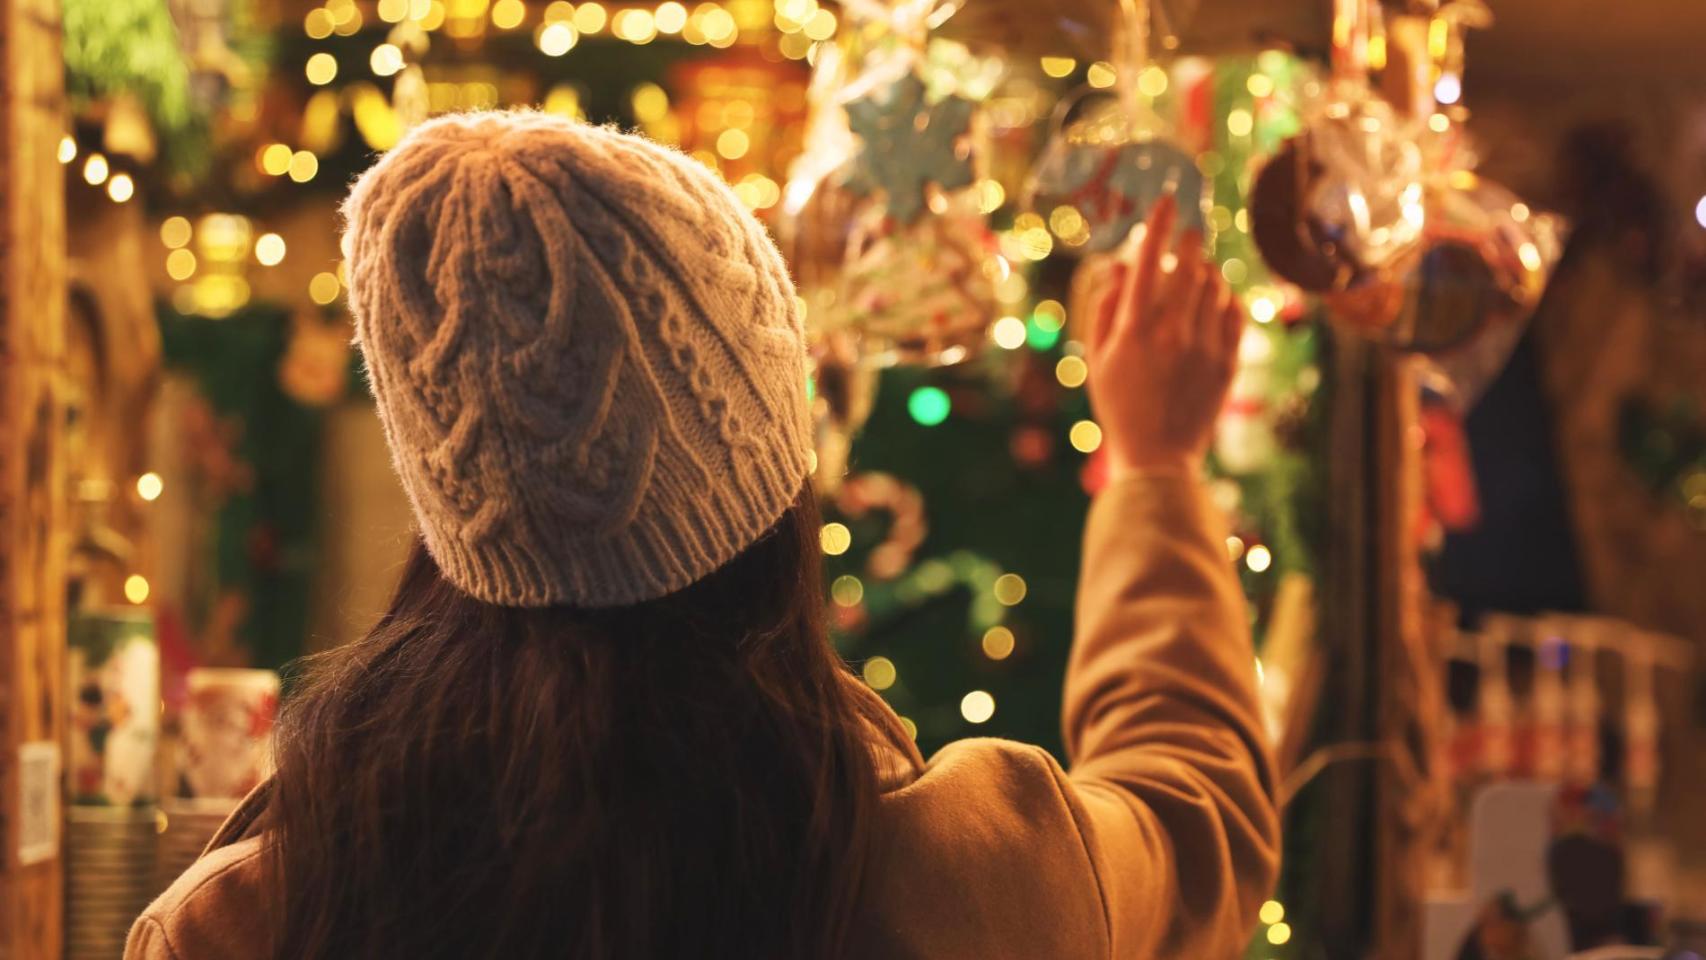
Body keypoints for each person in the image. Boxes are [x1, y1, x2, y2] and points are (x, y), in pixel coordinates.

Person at [125, 112, 1277, 960]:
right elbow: (1196, 812)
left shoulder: (240, 922)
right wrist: (1154, 471)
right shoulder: (967, 876)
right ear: (773, 486)